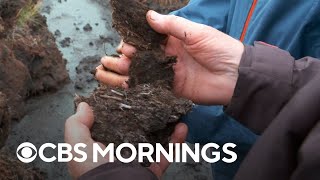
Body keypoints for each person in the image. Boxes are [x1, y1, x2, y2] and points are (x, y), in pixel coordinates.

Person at [65, 10, 320, 180]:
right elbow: (217, 6)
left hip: (266, 141)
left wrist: (108, 176)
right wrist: (246, 77)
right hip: (242, 120)